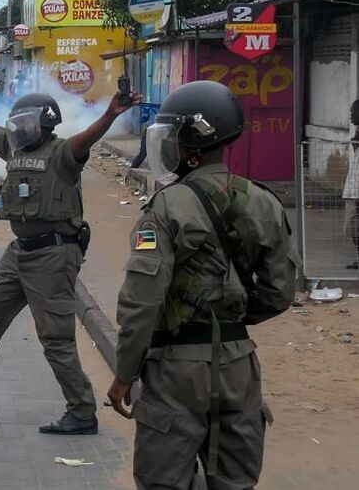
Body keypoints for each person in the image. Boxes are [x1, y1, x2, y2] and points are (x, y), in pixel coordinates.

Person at [0, 57, 139, 435]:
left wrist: (111, 113)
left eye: (27, 124)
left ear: (47, 123)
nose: (20, 130)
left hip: (54, 254)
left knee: (55, 338)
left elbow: (89, 137)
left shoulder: (64, 154)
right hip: (21, 251)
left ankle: (82, 411)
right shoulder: (11, 147)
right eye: (17, 124)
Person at [106, 80, 297, 488]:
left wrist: (124, 372)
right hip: (239, 364)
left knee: (163, 480)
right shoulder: (264, 202)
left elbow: (142, 302)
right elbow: (280, 293)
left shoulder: (167, 206)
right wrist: (230, 319)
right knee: (234, 481)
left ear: (192, 142)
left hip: (176, 369)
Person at [345, 98, 359, 269]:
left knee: (354, 225)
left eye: (353, 112)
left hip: (356, 187)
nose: (350, 116)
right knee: (352, 226)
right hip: (353, 187)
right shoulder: (357, 132)